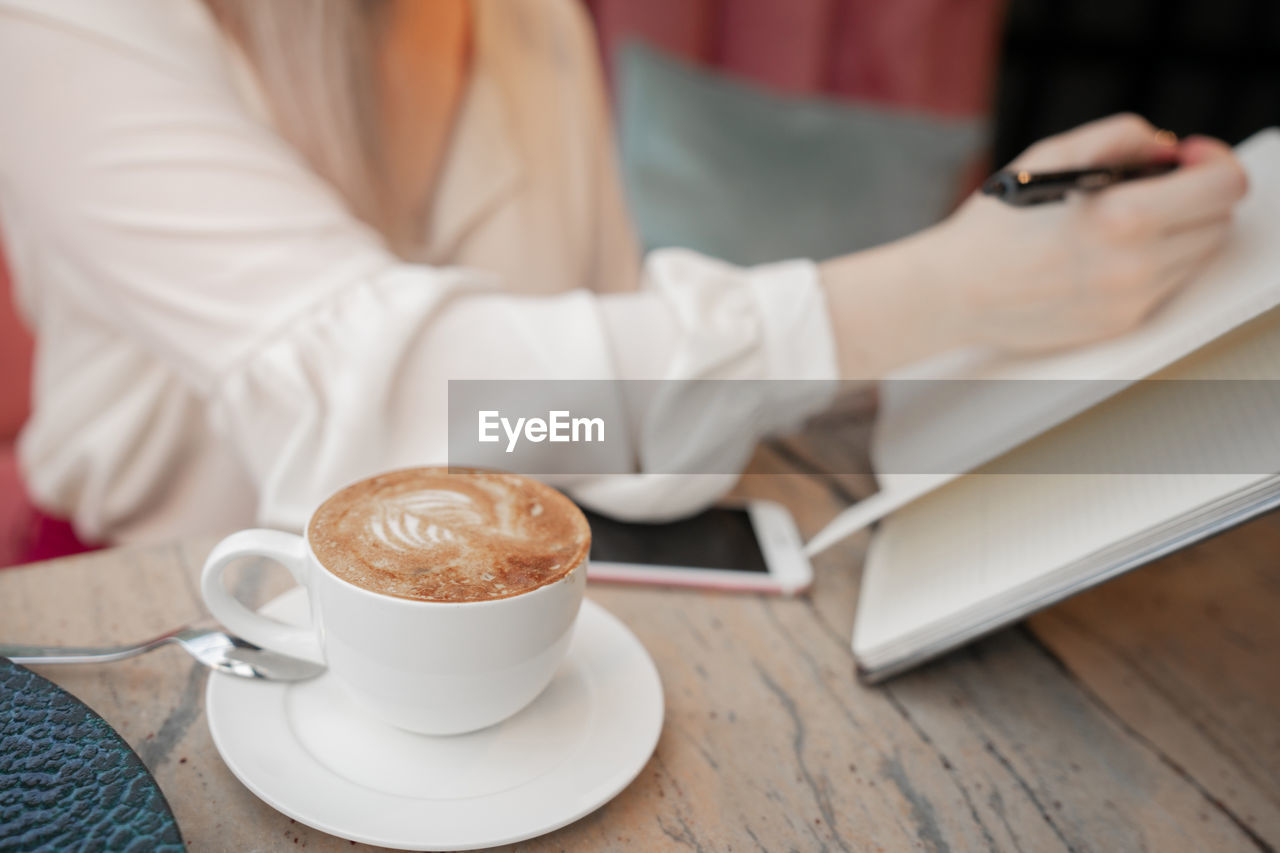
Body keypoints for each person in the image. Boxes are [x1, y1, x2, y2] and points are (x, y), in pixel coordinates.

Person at [0, 0, 1248, 544]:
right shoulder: (60, 23)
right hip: (169, 613)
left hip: (480, 589)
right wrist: (939, 290)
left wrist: (994, 305)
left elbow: (516, 416)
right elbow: (387, 398)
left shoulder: (521, 20)